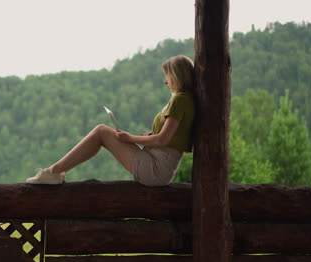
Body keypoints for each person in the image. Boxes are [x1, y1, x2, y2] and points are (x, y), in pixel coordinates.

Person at [26, 55, 195, 186]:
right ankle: (55, 172)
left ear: (177, 76)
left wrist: (131, 138)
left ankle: (53, 172)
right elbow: (170, 136)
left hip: (156, 169)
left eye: (168, 76)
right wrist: (151, 134)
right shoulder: (184, 99)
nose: (165, 81)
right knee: (102, 133)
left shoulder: (180, 100)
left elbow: (162, 139)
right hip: (159, 164)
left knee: (101, 131)